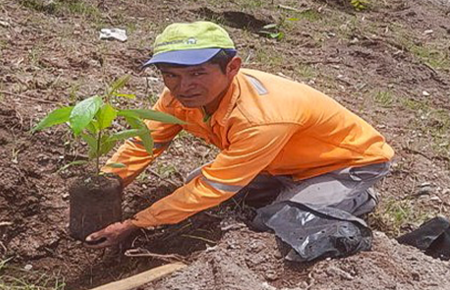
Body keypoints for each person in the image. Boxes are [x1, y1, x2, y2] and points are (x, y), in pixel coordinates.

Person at [84, 21, 394, 261]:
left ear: (232, 67)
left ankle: (359, 197)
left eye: (197, 74)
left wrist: (137, 223)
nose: (183, 87)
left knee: (277, 219)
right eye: (171, 75)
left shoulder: (261, 117)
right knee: (197, 181)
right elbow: (144, 143)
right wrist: (105, 184)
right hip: (282, 161)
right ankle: (291, 187)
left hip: (348, 164)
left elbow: (213, 187)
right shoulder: (176, 98)